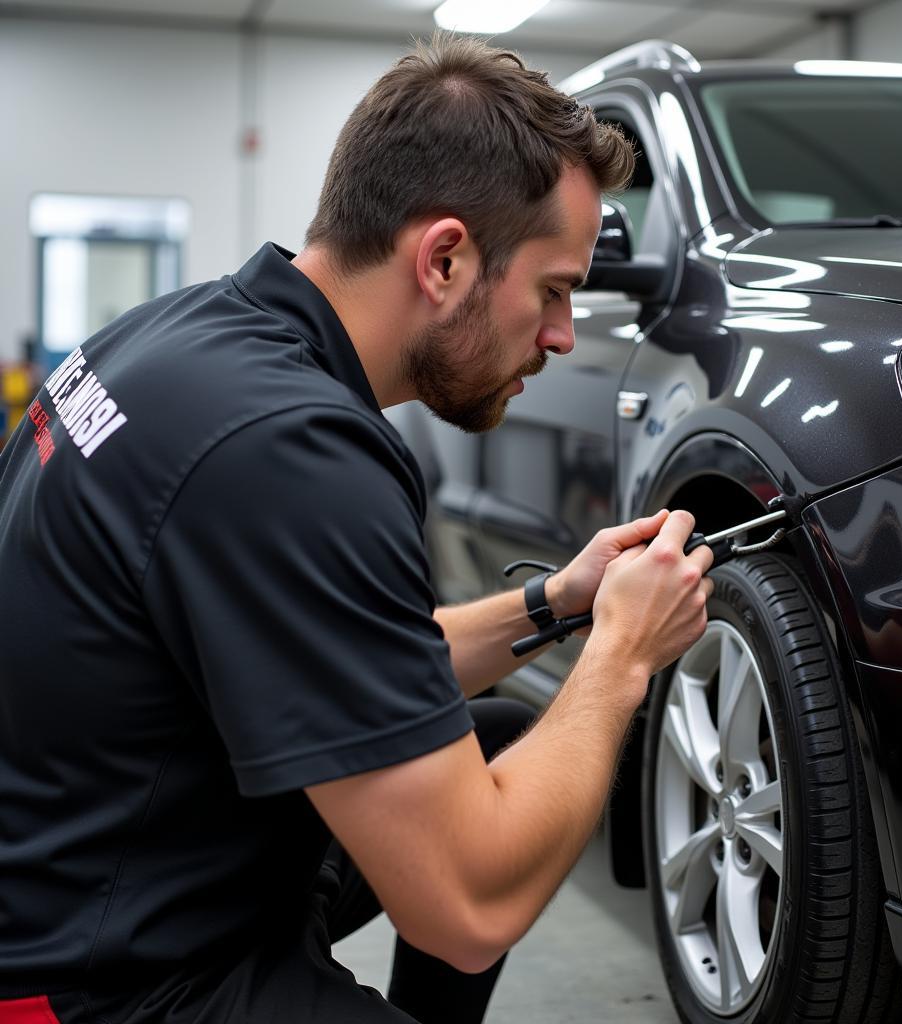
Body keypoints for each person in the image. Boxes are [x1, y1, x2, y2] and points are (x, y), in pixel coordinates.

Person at [0, 34, 713, 1024]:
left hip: (115, 856)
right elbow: (468, 908)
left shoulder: (187, 336)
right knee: (475, 864)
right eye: (552, 290)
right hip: (100, 982)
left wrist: (562, 602)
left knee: (498, 733)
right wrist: (624, 656)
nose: (562, 335)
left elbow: (349, 655)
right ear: (447, 258)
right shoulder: (291, 453)